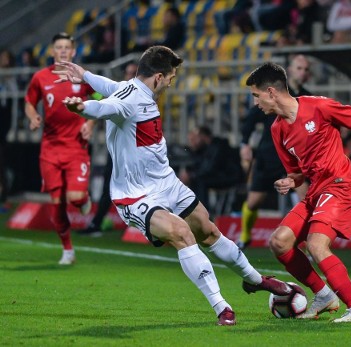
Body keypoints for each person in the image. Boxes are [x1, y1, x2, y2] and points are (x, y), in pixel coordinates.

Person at [55, 46, 293, 326]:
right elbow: (104, 107)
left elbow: (106, 86)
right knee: (181, 233)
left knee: (208, 229)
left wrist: (83, 74)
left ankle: (255, 279)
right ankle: (222, 307)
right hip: (135, 195)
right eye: (170, 77)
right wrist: (82, 108)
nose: (171, 82)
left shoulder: (130, 88)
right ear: (157, 77)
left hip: (166, 181)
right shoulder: (128, 101)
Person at [245, 62, 351, 323]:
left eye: (256, 95)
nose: (256, 103)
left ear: (270, 92)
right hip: (317, 190)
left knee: (315, 244)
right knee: (279, 243)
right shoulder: (277, 129)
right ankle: (324, 295)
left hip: (340, 184)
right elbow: (297, 173)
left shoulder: (319, 106)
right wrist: (290, 183)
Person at [24, 33, 96, 265]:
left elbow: (100, 97)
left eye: (67, 47)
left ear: (73, 52)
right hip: (50, 149)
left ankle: (84, 200)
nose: (63, 51)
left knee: (74, 197)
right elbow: (29, 102)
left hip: (76, 146)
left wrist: (90, 122)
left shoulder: (81, 77)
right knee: (56, 202)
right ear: (53, 51)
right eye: (59, 47)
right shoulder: (40, 78)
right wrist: (33, 115)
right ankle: (67, 250)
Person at [237, 54, 312, 249]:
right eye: (299, 68)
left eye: (305, 69)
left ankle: (307, 242)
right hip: (268, 155)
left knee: (306, 199)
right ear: (290, 70)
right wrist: (245, 144)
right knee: (253, 203)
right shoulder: (273, 94)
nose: (302, 72)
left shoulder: (307, 97)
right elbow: (251, 119)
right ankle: (245, 235)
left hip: (293, 157)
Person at [79, 62, 139, 237]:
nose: (130, 76)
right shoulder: (118, 92)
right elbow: (100, 99)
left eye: (133, 73)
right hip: (116, 151)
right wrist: (89, 91)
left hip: (137, 152)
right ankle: (96, 223)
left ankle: (150, 224)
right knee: (109, 187)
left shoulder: (142, 96)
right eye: (128, 73)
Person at [179, 125, 244, 213]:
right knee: (195, 179)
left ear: (203, 137)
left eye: (194, 139)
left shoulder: (218, 147)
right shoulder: (203, 149)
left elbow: (210, 168)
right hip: (218, 176)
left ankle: (202, 211)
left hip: (229, 177)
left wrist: (192, 175)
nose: (192, 143)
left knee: (199, 180)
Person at [0, 49, 17, 210]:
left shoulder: (11, 77)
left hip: (3, 122)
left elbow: (14, 97)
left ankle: (4, 196)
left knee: (1, 161)